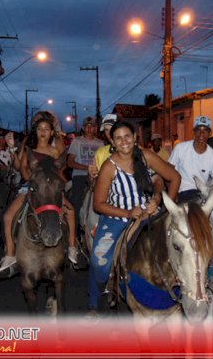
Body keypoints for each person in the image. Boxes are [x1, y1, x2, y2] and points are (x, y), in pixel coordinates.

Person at [88, 121, 181, 314]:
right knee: (100, 262)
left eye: (127, 136)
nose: (124, 142)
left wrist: (165, 206)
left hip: (149, 214)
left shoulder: (146, 156)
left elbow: (174, 177)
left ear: (135, 137)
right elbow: (98, 204)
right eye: (119, 138)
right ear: (112, 142)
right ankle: (98, 301)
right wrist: (128, 213)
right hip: (117, 217)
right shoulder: (109, 167)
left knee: (182, 245)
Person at [0, 117, 76, 278]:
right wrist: (12, 150)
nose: (43, 132)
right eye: (40, 129)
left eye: (46, 129)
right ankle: (10, 254)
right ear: (36, 132)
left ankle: (73, 248)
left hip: (50, 189)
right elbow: (21, 167)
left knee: (71, 211)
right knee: (7, 216)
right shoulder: (30, 150)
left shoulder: (55, 151)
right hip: (31, 187)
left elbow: (60, 170)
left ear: (51, 132)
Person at [168, 115, 213, 202]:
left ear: (210, 134)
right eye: (198, 130)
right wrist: (172, 194)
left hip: (202, 194)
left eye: (205, 130)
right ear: (194, 132)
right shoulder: (180, 148)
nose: (201, 134)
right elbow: (168, 170)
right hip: (181, 192)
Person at [67, 117, 104, 237]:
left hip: (96, 176)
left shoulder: (100, 143)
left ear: (95, 128)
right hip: (80, 176)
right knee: (76, 202)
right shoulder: (76, 141)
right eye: (87, 126)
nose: (89, 128)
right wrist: (86, 168)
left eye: (92, 126)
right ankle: (75, 234)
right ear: (83, 128)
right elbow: (70, 162)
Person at [87, 113, 117, 180]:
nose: (109, 133)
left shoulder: (135, 151)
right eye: (106, 129)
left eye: (113, 128)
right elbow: (94, 183)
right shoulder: (101, 153)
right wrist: (91, 176)